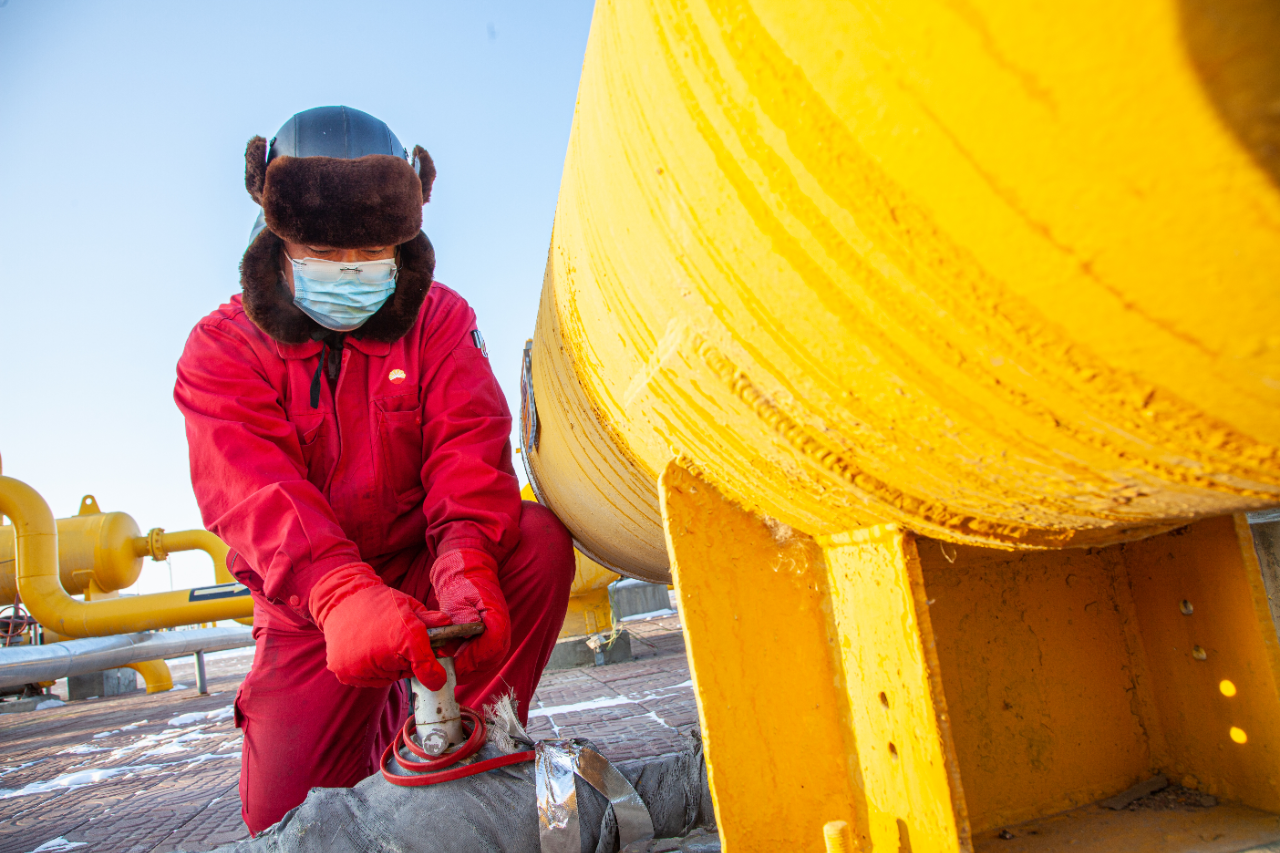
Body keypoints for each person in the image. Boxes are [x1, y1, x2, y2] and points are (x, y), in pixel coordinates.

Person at [173, 106, 575, 834]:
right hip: (309, 608)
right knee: (285, 822)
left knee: (538, 543)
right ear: (278, 241)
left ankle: (454, 759)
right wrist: (338, 596)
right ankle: (386, 738)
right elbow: (256, 494)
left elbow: (467, 446)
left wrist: (466, 562)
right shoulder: (222, 349)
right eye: (325, 254)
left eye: (370, 254)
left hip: (424, 567)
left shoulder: (440, 320)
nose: (350, 272)